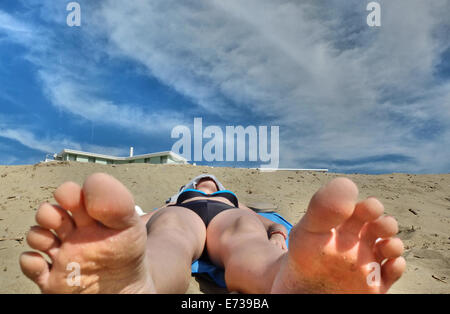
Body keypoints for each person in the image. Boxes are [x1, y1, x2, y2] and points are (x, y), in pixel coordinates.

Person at [19, 172, 405, 293]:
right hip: (181, 215)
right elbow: (142, 222)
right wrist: (116, 241)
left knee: (247, 238)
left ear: (216, 184)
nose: (205, 181)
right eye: (201, 179)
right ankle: (137, 280)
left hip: (227, 219)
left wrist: (277, 239)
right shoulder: (178, 200)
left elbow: (270, 223)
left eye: (209, 179)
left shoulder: (235, 202)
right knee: (166, 236)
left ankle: (283, 276)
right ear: (193, 183)